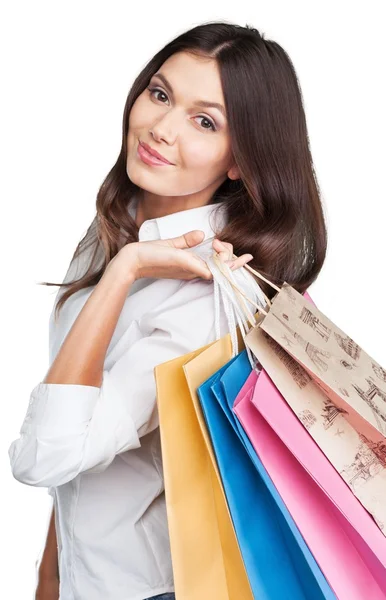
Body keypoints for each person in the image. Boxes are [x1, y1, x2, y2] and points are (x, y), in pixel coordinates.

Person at [8, 20, 328, 600]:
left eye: (204, 121)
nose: (160, 129)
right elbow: (87, 437)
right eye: (160, 94)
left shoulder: (204, 294)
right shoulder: (121, 224)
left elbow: (49, 455)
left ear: (239, 160)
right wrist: (49, 577)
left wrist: (126, 269)